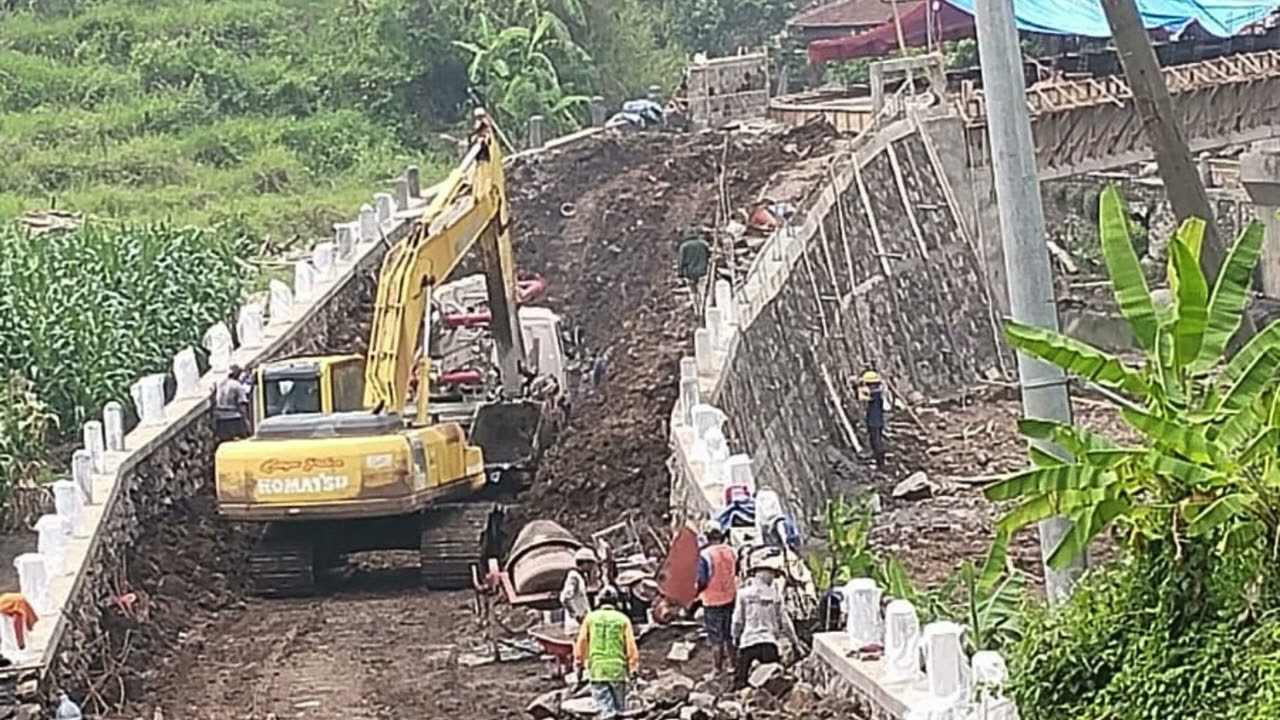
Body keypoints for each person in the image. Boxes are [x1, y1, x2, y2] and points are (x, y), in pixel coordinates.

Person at [731, 556, 801, 690]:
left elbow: (737, 620)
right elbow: (785, 623)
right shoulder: (775, 596)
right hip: (769, 643)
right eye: (772, 575)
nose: (772, 578)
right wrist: (795, 642)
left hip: (748, 642)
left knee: (740, 683)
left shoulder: (743, 594)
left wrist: (735, 637)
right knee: (773, 684)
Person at [574, 587, 640, 720]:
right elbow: (631, 646)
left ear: (599, 601)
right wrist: (633, 668)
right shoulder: (623, 619)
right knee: (621, 710)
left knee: (605, 710)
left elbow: (581, 642)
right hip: (617, 670)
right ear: (616, 602)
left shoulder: (591, 618)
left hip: (598, 670)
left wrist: (579, 664)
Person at [695, 520, 738, 676]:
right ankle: (734, 665)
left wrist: (694, 595)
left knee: (715, 637)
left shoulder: (705, 555)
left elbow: (701, 580)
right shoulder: (731, 551)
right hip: (731, 597)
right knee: (730, 634)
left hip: (712, 601)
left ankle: (717, 669)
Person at [560, 548, 598, 634]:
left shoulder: (580, 576)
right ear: (584, 562)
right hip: (576, 626)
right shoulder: (574, 577)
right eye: (591, 563)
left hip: (583, 624)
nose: (592, 566)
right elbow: (565, 598)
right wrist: (577, 616)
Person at [677, 226, 711, 316]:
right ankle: (705, 309)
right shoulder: (703, 244)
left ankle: (697, 311)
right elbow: (709, 256)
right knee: (703, 290)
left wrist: (680, 274)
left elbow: (681, 261)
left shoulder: (684, 247)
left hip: (690, 273)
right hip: (703, 271)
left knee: (693, 292)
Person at [214, 365, 252, 439]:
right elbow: (242, 405)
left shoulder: (221, 384)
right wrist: (247, 422)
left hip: (221, 418)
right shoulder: (237, 386)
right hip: (234, 418)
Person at [860, 370, 887, 468]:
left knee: (876, 442)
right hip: (877, 421)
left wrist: (858, 389)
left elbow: (863, 397)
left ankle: (880, 463)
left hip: (874, 422)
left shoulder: (875, 394)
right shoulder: (878, 392)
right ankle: (879, 460)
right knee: (875, 441)